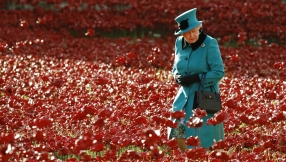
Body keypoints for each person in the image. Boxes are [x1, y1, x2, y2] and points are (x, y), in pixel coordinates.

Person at [167, 8, 225, 152]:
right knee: (178, 131)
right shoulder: (179, 43)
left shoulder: (210, 43)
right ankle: (184, 157)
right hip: (184, 98)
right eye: (187, 33)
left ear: (200, 28)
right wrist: (177, 77)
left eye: (194, 31)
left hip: (203, 98)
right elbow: (175, 67)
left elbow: (218, 72)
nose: (191, 35)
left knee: (202, 136)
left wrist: (197, 78)